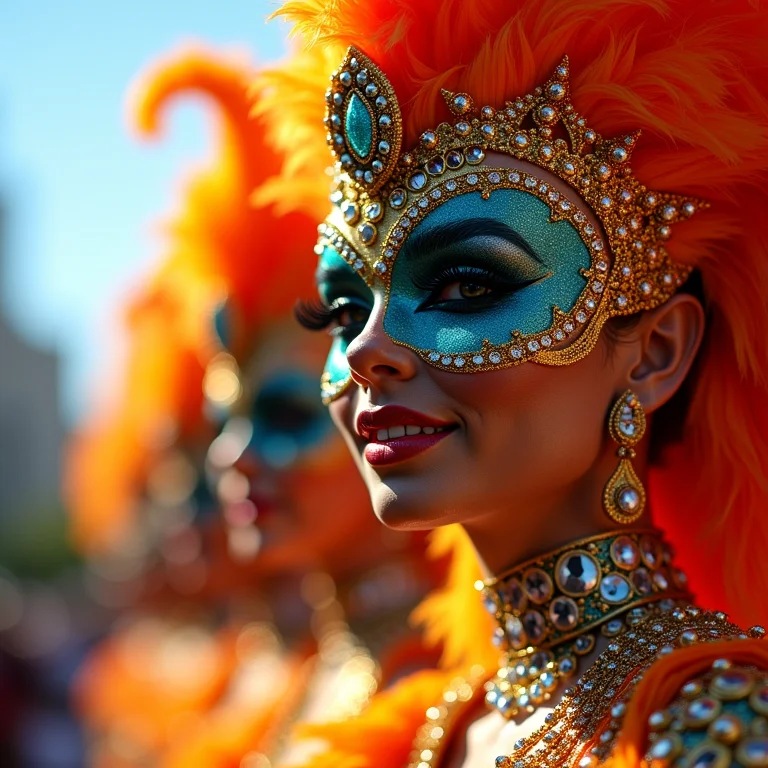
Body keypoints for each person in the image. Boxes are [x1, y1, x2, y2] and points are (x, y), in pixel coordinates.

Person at [256, 0, 768, 765]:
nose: (366, 349)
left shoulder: (719, 732)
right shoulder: (431, 734)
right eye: (343, 307)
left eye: (466, 286)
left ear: (655, 354)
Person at [68, 44, 441, 768]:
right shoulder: (326, 673)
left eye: (287, 416)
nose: (228, 461)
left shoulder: (437, 686)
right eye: (225, 426)